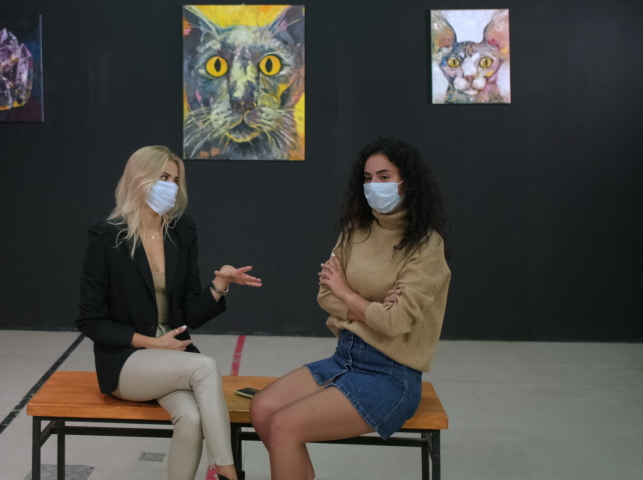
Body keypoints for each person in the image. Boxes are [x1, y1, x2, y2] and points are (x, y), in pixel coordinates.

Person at [249, 138, 451, 480]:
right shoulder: (354, 230)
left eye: (384, 176)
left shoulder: (427, 244)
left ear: (409, 182)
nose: (374, 185)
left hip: (391, 374)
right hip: (345, 358)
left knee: (284, 425)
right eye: (368, 177)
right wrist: (371, 308)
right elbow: (325, 296)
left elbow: (396, 321)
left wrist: (347, 292)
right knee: (262, 408)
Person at [76, 146, 261, 480]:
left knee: (190, 420)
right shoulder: (106, 237)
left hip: (172, 357)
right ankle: (229, 474)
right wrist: (151, 343)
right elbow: (90, 320)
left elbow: (190, 311)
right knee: (204, 367)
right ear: (138, 177)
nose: (171, 186)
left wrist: (219, 285)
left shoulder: (181, 231)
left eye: (175, 179)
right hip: (124, 360)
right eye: (163, 177)